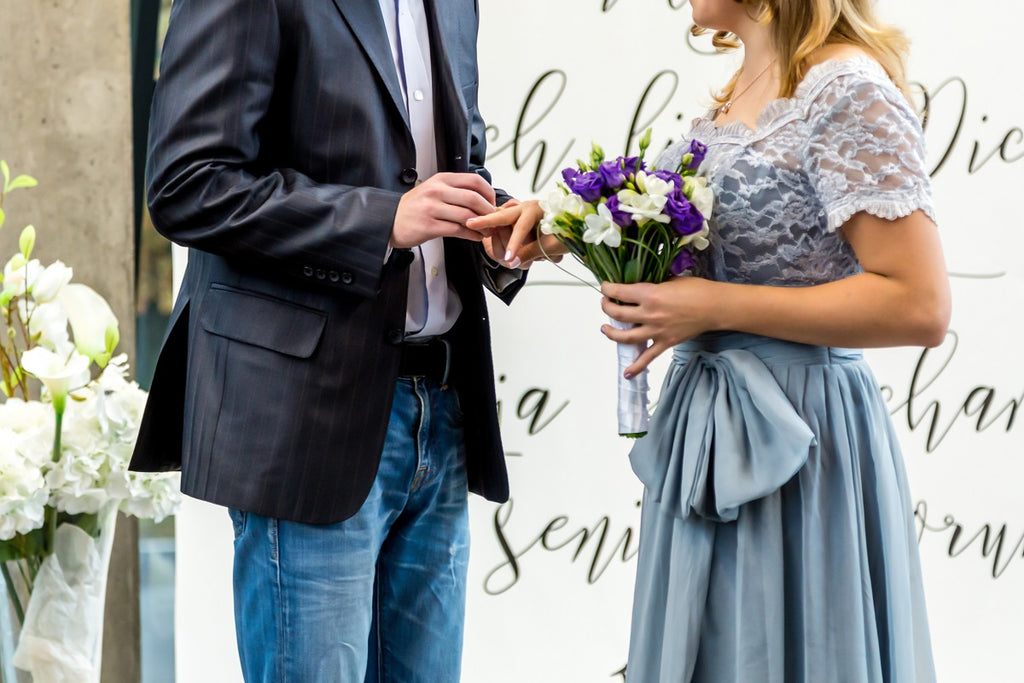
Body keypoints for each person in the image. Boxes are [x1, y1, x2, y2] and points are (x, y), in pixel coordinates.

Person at [473, 0, 949, 680]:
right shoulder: (739, 90)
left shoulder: (846, 89)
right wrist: (555, 228)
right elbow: (701, 240)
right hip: (708, 438)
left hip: (799, 444)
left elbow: (920, 303)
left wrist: (712, 306)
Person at [128, 0, 530, 680]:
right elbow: (187, 183)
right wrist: (382, 220)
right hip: (305, 418)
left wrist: (497, 230)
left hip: (442, 409)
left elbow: (447, 169)